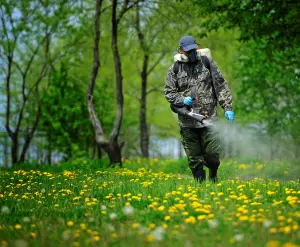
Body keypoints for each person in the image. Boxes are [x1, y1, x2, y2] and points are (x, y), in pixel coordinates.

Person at [164, 36, 234, 182]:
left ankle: (213, 176)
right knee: (194, 159)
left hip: (209, 119)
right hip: (187, 122)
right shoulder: (175, 69)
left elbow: (220, 86)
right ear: (181, 50)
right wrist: (182, 100)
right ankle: (200, 189)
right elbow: (169, 93)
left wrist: (227, 107)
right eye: (188, 51)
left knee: (213, 155)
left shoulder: (207, 63)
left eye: (193, 50)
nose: (191, 53)